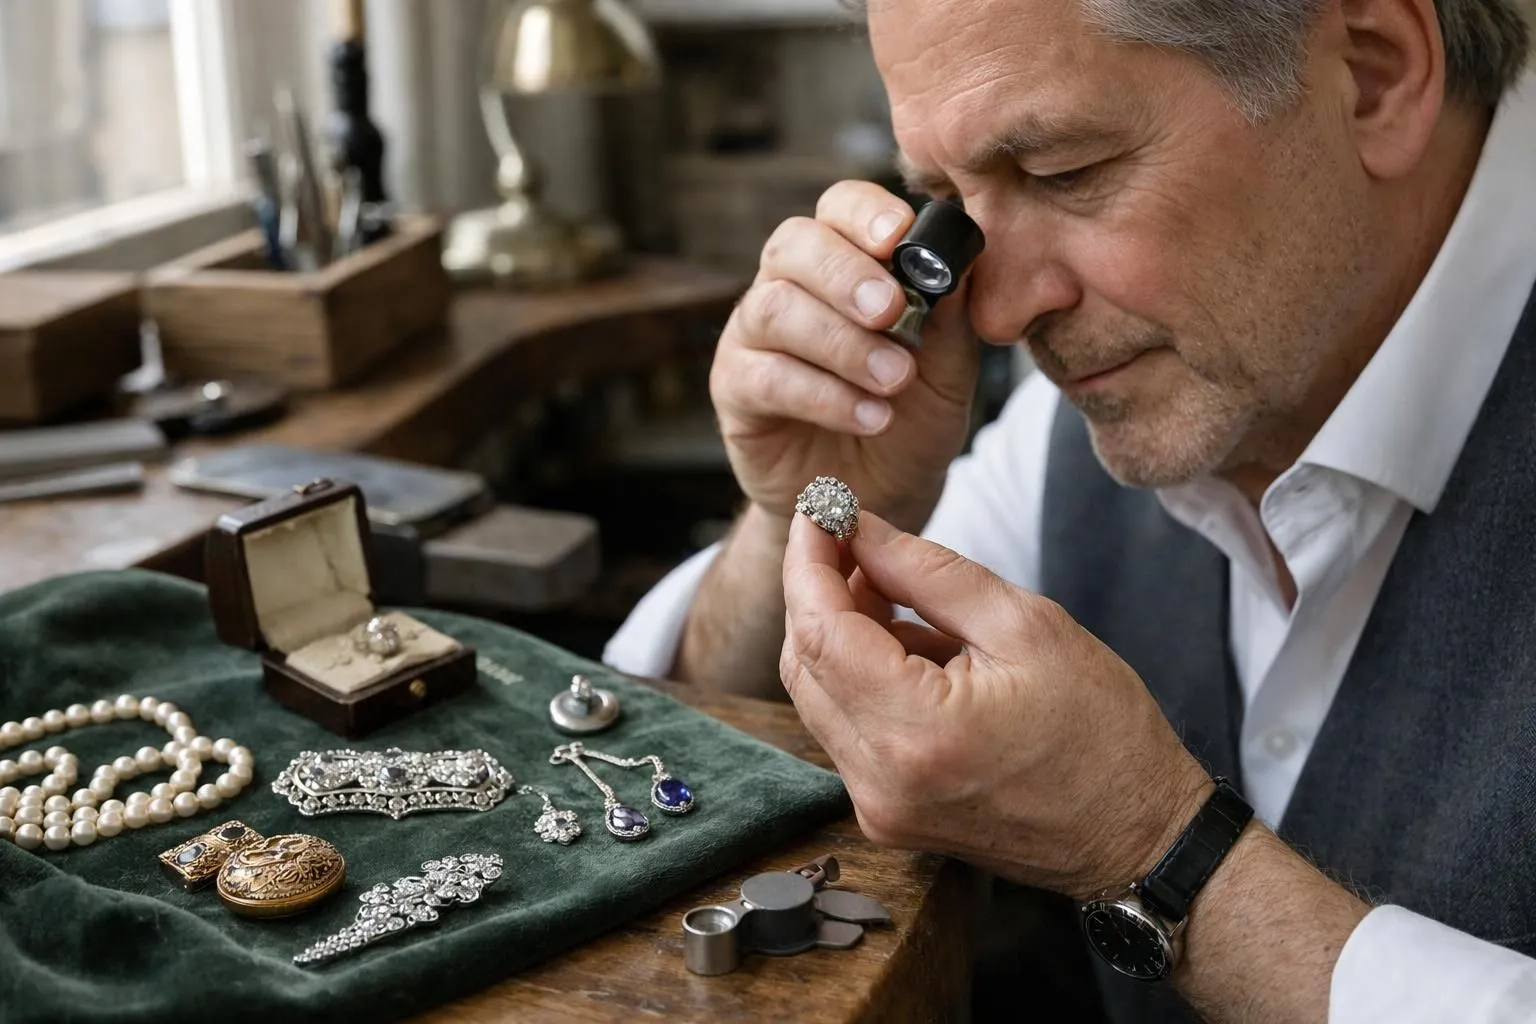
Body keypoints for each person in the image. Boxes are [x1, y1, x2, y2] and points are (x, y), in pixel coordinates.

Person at [604, 0, 1536, 1020]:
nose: (1001, 314)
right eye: (947, 202)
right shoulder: (1091, 420)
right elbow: (682, 751)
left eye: (1065, 175)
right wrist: (802, 516)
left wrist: (1158, 853)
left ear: (1375, 73)